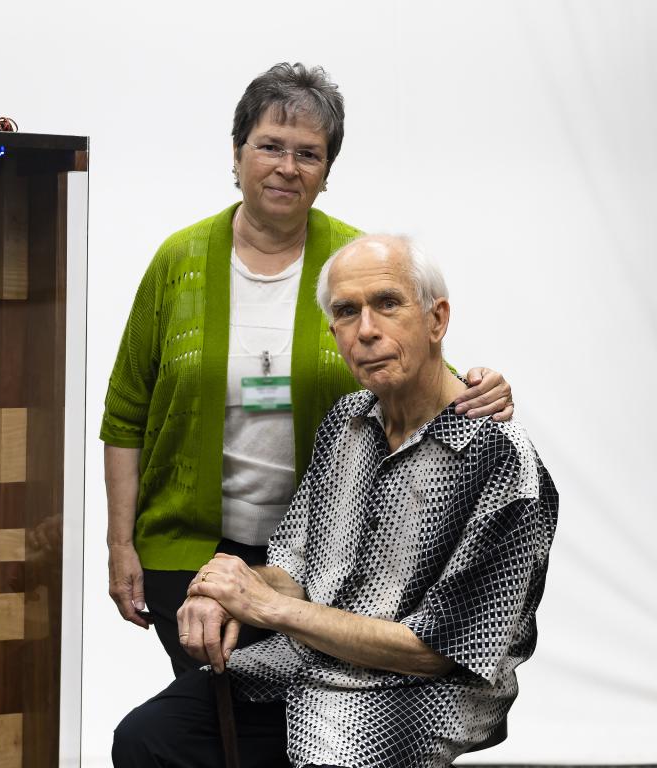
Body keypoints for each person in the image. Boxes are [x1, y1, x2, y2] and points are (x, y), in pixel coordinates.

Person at [100, 63, 515, 676]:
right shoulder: (177, 261)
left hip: (322, 558)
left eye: (308, 154)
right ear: (237, 154)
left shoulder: (356, 261)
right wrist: (119, 545)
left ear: (325, 173)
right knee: (213, 716)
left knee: (300, 717)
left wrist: (482, 387)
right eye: (269, 146)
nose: (286, 167)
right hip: (184, 555)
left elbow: (415, 367)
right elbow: (126, 412)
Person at [112, 235, 558, 768]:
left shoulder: (502, 462)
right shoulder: (347, 423)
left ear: (437, 320)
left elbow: (437, 653)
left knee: (328, 754)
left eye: (388, 304)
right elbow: (293, 566)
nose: (366, 330)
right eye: (347, 313)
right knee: (148, 736)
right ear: (334, 334)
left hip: (416, 690)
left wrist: (270, 607)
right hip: (311, 660)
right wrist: (224, 588)